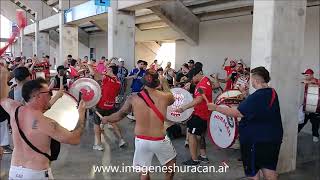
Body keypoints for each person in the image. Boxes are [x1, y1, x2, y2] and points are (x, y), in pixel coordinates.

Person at [0, 78, 87, 180]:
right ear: (37, 95)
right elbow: (75, 139)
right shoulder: (47, 123)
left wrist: (3, 74)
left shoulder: (14, 109)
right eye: (49, 92)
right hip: (36, 173)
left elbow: (2, 98)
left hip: (15, 171)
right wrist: (81, 114)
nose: (51, 94)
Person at [207, 67, 283, 180]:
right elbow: (258, 108)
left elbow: (237, 112)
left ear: (256, 81)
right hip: (272, 139)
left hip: (256, 141)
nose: (250, 81)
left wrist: (216, 107)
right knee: (269, 170)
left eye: (251, 79)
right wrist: (245, 94)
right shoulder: (272, 92)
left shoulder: (256, 96)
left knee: (253, 174)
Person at [102, 69, 176, 180]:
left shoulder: (133, 98)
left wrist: (107, 118)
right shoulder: (166, 97)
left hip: (141, 140)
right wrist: (164, 81)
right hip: (159, 139)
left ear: (143, 82)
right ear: (157, 82)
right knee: (171, 163)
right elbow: (171, 95)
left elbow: (119, 115)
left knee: (144, 171)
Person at [176, 62, 212, 165]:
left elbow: (198, 100)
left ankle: (194, 159)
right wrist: (192, 86)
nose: (192, 80)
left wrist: (183, 108)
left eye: (192, 77)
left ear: (198, 74)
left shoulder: (202, 84)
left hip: (200, 114)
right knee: (200, 135)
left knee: (192, 134)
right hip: (202, 114)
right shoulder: (205, 80)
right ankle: (203, 156)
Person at [93, 64, 127, 150]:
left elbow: (96, 75)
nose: (106, 71)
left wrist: (89, 66)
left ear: (111, 71)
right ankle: (121, 140)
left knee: (96, 124)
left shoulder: (107, 79)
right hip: (111, 105)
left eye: (108, 69)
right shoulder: (118, 82)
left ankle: (99, 144)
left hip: (101, 105)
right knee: (113, 122)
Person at [298, 68, 319, 142]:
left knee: (315, 123)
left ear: (312, 75)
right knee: (301, 122)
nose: (306, 76)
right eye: (305, 75)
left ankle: (315, 136)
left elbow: (315, 82)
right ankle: (295, 134)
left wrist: (309, 82)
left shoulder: (317, 81)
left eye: (307, 75)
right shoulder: (306, 83)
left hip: (316, 108)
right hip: (307, 106)